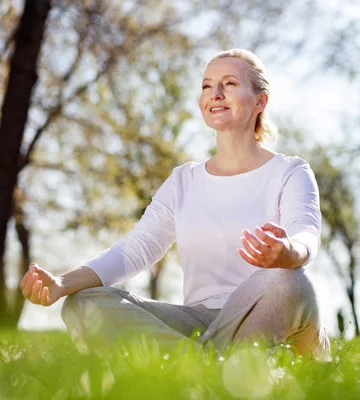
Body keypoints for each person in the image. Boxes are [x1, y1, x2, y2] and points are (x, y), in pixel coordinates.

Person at [19, 49, 330, 359]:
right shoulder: (184, 180)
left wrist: (289, 252)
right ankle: (207, 370)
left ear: (260, 101)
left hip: (265, 317)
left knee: (290, 280)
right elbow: (137, 248)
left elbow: (305, 232)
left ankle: (192, 369)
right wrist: (61, 283)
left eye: (230, 84)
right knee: (84, 303)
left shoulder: (289, 171)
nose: (216, 94)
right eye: (207, 86)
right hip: (198, 323)